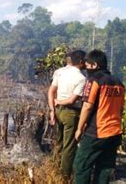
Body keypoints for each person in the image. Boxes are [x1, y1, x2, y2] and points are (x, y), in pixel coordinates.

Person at [73, 50, 125, 184]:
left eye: (87, 64)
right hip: (114, 132)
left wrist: (79, 129)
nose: (86, 67)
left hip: (97, 131)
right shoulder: (119, 83)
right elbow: (121, 108)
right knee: (104, 168)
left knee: (81, 165)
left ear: (95, 65)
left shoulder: (94, 80)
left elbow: (87, 106)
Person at [48, 50, 86, 178]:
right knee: (69, 146)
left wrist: (52, 109)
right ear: (81, 62)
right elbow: (72, 100)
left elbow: (51, 91)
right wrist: (60, 102)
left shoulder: (59, 72)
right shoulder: (81, 78)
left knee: (58, 142)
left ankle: (54, 169)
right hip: (71, 113)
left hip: (58, 111)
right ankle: (64, 176)